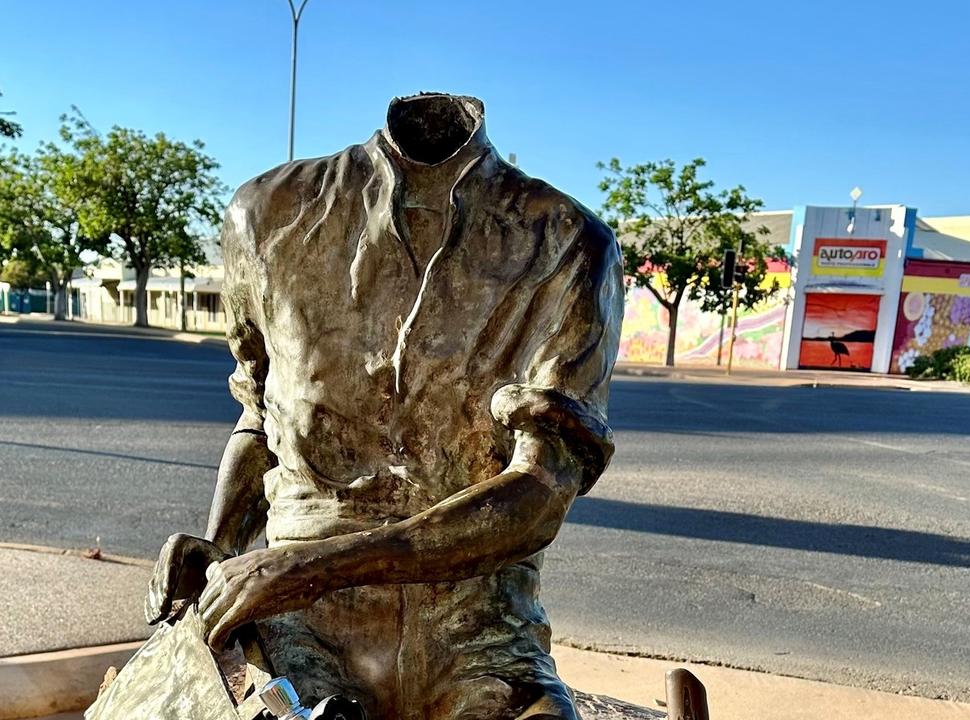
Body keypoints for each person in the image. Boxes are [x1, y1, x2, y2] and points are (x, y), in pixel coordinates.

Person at [151, 93, 624, 720]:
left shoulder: (568, 242)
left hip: (479, 627)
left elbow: (539, 492)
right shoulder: (267, 213)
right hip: (298, 625)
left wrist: (309, 567)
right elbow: (262, 416)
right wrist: (220, 545)